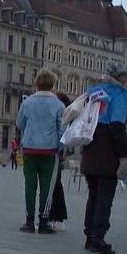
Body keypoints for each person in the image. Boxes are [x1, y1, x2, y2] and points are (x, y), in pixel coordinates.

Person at [80, 63, 127, 254]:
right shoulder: (119, 94)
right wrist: (124, 155)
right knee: (105, 198)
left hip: (90, 146)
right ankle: (98, 237)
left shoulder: (94, 90)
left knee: (93, 194)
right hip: (106, 150)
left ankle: (89, 235)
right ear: (125, 81)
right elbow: (117, 127)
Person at [15, 71, 65, 233]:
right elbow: (62, 129)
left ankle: (29, 221)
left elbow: (20, 123)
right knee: (46, 187)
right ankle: (43, 221)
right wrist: (60, 147)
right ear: (52, 85)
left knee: (30, 185)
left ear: (36, 83)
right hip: (49, 151)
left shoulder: (27, 103)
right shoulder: (58, 105)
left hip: (29, 149)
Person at [47, 92, 73, 230]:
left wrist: (59, 150)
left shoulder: (62, 114)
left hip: (55, 151)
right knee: (56, 184)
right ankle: (58, 217)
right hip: (57, 151)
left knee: (53, 184)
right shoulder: (64, 114)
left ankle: (53, 216)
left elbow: (62, 133)